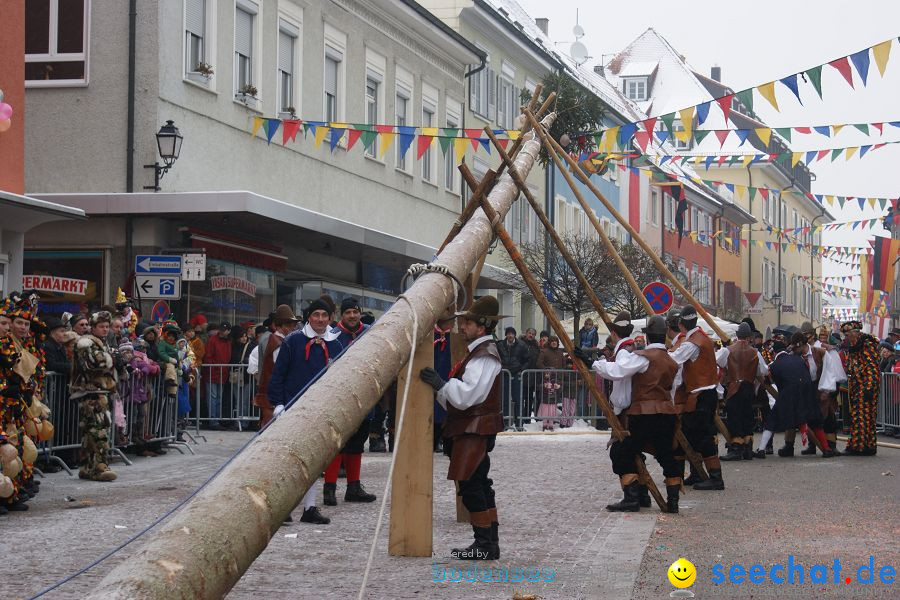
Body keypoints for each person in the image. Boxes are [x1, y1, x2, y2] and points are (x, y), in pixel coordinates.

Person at [420, 295, 505, 560]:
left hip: (474, 428)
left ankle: (485, 543)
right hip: (472, 427)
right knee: (478, 483)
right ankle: (488, 542)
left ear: (481, 326)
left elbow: (467, 396)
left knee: (471, 485)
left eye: (467, 322)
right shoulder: (479, 353)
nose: (462, 327)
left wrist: (441, 385)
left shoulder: (484, 356)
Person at [584, 317, 682, 513]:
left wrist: (593, 363)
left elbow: (619, 371)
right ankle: (672, 501)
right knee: (666, 455)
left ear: (646, 335)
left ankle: (632, 498)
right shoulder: (672, 360)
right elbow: (673, 389)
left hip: (643, 414)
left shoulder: (644, 357)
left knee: (621, 451)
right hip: (667, 413)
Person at [267, 298, 341, 525]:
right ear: (309, 317)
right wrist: (278, 404)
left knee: (313, 461)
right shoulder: (293, 341)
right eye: (316, 315)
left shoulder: (336, 344)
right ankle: (283, 507)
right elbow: (278, 374)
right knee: (287, 461)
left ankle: (309, 507)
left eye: (324, 315)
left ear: (329, 318)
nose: (320, 319)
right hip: (292, 406)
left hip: (320, 410)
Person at [324, 297, 377, 505]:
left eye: (355, 312)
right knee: (336, 445)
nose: (352, 316)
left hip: (364, 397)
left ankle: (353, 487)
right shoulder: (333, 335)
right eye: (348, 313)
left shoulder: (370, 333)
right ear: (341, 315)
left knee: (357, 444)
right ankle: (329, 488)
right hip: (338, 398)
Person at [754, 331, 835, 458]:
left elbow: (769, 382)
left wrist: (826, 390)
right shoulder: (797, 358)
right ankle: (825, 449)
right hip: (807, 391)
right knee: (814, 420)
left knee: (772, 420)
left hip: (799, 392)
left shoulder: (775, 365)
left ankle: (761, 450)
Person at [668, 306, 724, 491]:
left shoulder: (692, 343)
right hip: (703, 394)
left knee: (703, 436)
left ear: (681, 325)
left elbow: (673, 360)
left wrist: (652, 355)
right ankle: (697, 473)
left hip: (701, 395)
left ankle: (716, 478)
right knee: (692, 434)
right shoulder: (701, 338)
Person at [70, 311, 118, 481]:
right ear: (93, 327)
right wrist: (113, 358)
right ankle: (99, 468)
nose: (105, 330)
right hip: (90, 394)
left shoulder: (99, 343)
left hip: (100, 393)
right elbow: (92, 364)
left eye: (107, 326)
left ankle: (86, 467)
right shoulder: (85, 342)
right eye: (101, 327)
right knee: (98, 432)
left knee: (92, 432)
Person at [717, 322, 768, 461]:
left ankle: (736, 449)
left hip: (734, 387)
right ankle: (747, 448)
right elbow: (763, 370)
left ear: (737, 335)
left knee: (735, 417)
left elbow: (716, 362)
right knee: (747, 416)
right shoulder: (755, 352)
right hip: (749, 387)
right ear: (750, 337)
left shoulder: (728, 350)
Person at [253, 306, 299, 428]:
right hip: (273, 396)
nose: (293, 328)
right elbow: (280, 373)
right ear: (279, 326)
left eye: (294, 325)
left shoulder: (279, 341)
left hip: (271, 395)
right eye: (289, 325)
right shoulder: (279, 344)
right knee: (271, 431)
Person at [841, 320, 881, 456]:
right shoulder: (854, 346)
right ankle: (862, 445)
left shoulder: (867, 345)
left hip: (865, 387)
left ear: (854, 333)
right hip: (856, 387)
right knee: (857, 417)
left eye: (847, 334)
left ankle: (861, 447)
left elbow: (872, 367)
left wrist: (869, 387)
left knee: (864, 417)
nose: (845, 337)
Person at [496, 326, 528, 430]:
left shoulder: (521, 345)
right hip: (504, 374)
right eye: (508, 333)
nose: (510, 335)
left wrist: (521, 370)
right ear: (506, 335)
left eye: (512, 333)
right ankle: (505, 423)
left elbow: (527, 360)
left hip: (516, 374)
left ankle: (519, 423)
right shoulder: (500, 345)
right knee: (504, 399)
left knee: (518, 399)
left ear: (514, 335)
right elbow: (496, 358)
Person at [203, 322, 232, 430]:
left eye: (225, 330)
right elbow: (208, 356)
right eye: (222, 329)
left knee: (218, 397)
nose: (222, 331)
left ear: (228, 331)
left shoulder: (228, 341)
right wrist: (214, 369)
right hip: (213, 372)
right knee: (213, 397)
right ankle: (213, 420)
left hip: (222, 373)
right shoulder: (213, 340)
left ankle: (216, 420)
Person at [432, 313, 454, 452]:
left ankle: (443, 440)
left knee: (446, 409)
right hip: (433, 376)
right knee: (434, 409)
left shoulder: (455, 337)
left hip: (449, 376)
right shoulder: (430, 335)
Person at [536, 336, 566, 431]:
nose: (554, 343)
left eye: (555, 341)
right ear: (549, 342)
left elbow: (563, 366)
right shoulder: (544, 351)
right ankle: (545, 423)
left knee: (554, 403)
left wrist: (561, 378)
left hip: (557, 381)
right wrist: (547, 371)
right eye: (552, 341)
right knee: (546, 402)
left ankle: (551, 422)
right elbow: (539, 363)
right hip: (547, 381)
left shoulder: (560, 353)